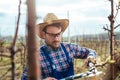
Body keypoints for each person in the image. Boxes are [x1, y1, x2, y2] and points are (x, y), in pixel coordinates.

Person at [21, 13, 97, 80]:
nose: (56, 38)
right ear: (44, 34)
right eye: (52, 35)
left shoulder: (69, 48)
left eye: (58, 34)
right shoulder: (36, 56)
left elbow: (91, 52)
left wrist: (90, 57)